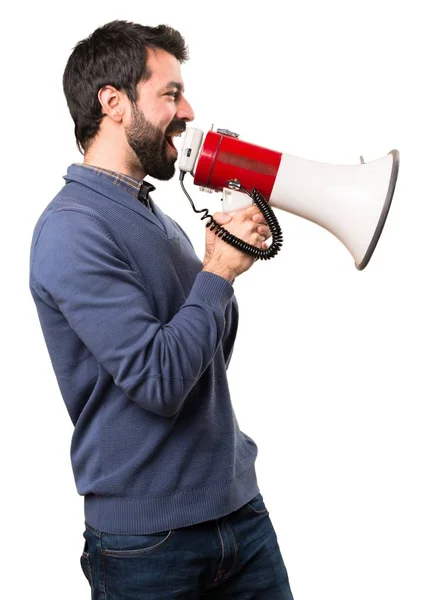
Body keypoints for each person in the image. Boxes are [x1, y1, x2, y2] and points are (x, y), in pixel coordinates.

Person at [29, 20, 294, 599]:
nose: (188, 109)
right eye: (170, 94)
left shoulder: (156, 215)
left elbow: (209, 356)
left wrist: (219, 271)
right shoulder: (72, 230)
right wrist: (218, 270)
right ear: (113, 103)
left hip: (237, 511)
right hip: (149, 544)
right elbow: (161, 381)